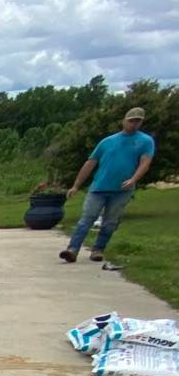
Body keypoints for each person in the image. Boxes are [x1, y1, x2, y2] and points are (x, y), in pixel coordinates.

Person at [60, 107, 155, 263]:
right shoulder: (108, 141)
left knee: (110, 221)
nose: (134, 124)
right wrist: (76, 185)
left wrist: (133, 179)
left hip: (122, 189)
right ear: (124, 121)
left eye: (138, 121)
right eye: (131, 121)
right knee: (87, 218)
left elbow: (145, 163)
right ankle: (73, 249)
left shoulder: (145, 141)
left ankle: (98, 249)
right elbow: (91, 163)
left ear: (142, 122)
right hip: (99, 187)